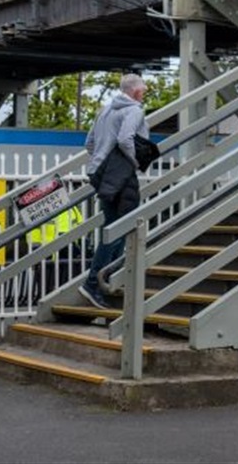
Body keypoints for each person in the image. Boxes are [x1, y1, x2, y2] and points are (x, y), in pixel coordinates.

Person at [80, 73, 148, 309]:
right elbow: (125, 140)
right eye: (144, 89)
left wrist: (101, 159)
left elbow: (88, 143)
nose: (145, 93)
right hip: (121, 174)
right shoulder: (134, 110)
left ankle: (105, 276)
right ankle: (94, 281)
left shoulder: (106, 109)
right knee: (121, 227)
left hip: (99, 172)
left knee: (113, 224)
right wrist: (136, 162)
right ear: (136, 92)